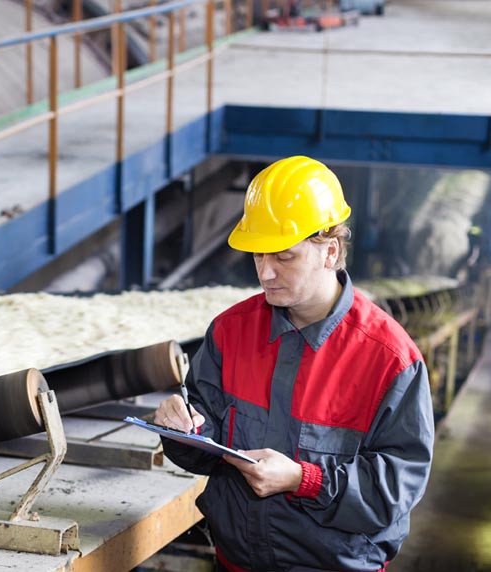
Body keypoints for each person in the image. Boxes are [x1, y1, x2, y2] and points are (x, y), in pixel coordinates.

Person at [155, 156, 434, 572]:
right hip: (235, 563)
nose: (265, 273)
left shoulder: (389, 359)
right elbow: (207, 442)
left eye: (283, 257)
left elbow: (393, 491)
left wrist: (304, 479)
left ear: (330, 251)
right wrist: (184, 430)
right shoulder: (230, 332)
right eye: (257, 256)